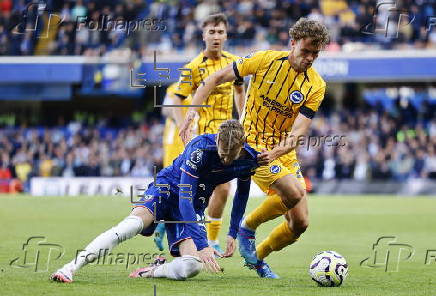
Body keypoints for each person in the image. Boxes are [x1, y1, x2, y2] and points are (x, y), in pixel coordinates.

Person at [180, 18, 330, 278]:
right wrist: (192, 113)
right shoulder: (264, 60)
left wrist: (280, 151)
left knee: (300, 223)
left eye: (315, 54)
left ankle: (258, 257)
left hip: (282, 149)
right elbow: (215, 78)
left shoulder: (316, 85)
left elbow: (299, 131)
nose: (309, 58)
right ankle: (246, 228)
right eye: (306, 51)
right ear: (292, 43)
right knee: (294, 193)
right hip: (250, 145)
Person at [50, 120, 258, 282]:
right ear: (217, 141)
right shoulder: (199, 148)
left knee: (192, 266)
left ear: (242, 146)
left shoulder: (249, 159)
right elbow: (184, 197)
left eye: (231, 156)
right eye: (223, 154)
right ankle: (69, 268)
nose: (226, 160)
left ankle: (153, 270)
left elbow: (241, 195)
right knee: (129, 227)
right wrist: (203, 244)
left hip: (194, 204)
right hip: (168, 189)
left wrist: (232, 232)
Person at [174, 13, 245, 253]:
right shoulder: (192, 67)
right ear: (203, 35)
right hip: (203, 139)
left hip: (226, 139)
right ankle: (184, 234)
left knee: (224, 188)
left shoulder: (234, 62)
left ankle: (211, 240)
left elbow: (239, 90)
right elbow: (177, 96)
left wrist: (243, 117)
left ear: (226, 35)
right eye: (212, 32)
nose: (216, 36)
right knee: (197, 193)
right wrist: (183, 123)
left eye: (220, 32)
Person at [153, 83, 192, 251]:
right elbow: (165, 110)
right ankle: (164, 226)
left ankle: (165, 227)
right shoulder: (174, 88)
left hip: (191, 141)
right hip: (174, 143)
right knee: (173, 187)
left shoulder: (203, 90)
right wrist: (182, 120)